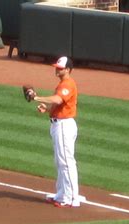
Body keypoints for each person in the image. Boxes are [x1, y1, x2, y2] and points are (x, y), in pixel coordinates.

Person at [33, 56, 81, 208]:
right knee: (60, 162)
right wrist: (46, 108)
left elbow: (58, 100)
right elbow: (58, 104)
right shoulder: (62, 84)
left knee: (66, 162)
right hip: (58, 124)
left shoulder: (68, 84)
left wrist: (36, 97)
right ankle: (61, 194)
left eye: (60, 68)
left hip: (64, 126)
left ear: (68, 70)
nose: (57, 69)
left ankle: (71, 198)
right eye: (56, 67)